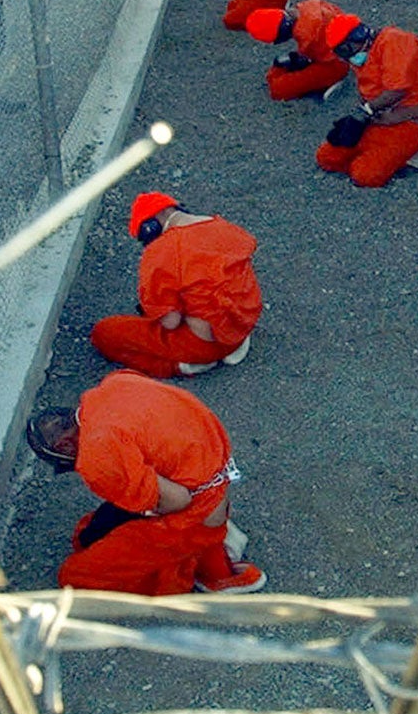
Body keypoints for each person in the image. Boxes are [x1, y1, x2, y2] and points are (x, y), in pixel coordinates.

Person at [27, 372, 265, 595]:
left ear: (65, 448)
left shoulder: (96, 454)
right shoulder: (115, 384)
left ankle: (195, 566)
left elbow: (177, 500)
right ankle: (210, 540)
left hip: (194, 510)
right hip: (214, 479)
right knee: (87, 533)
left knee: (74, 575)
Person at [90, 192, 262, 377]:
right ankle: (233, 344)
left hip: (204, 344)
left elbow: (171, 322)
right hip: (243, 324)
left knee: (104, 333)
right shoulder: (225, 227)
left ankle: (182, 366)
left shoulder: (162, 251)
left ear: (150, 227)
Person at [316, 13, 418, 187]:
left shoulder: (396, 42)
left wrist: (365, 111)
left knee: (365, 175)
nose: (346, 56)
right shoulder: (362, 52)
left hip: (410, 118)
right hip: (378, 118)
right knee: (326, 157)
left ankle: (399, 155)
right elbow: (370, 94)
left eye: (345, 49)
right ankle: (391, 156)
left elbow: (396, 90)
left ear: (358, 36)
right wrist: (360, 118)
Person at [247, 1, 351, 101]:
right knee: (281, 69)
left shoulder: (306, 33)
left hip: (336, 63)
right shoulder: (305, 7)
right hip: (340, 48)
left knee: (278, 89)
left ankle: (332, 81)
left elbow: (318, 58)